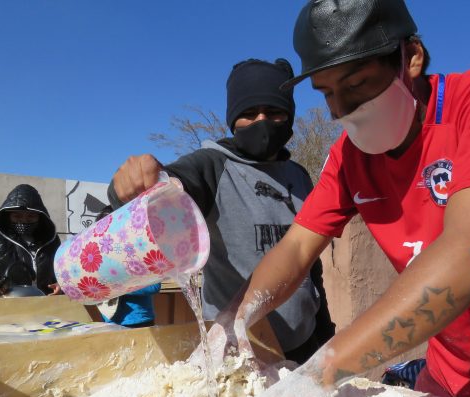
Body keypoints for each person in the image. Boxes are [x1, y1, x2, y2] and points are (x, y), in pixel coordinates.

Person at [207, 0, 470, 397]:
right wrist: (235, 320)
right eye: (327, 93)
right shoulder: (348, 159)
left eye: (356, 85)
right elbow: (296, 247)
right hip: (448, 380)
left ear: (410, 57)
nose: (341, 109)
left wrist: (325, 368)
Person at [107, 58, 335, 363]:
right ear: (233, 119)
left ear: (290, 116)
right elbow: (168, 188)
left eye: (274, 112)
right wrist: (131, 186)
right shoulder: (210, 167)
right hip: (240, 352)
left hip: (306, 343)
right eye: (249, 113)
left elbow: (311, 265)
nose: (262, 121)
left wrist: (324, 333)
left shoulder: (299, 176)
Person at [93, 205, 162, 328]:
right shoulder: (99, 257)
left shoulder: (138, 252)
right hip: (110, 322)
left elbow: (154, 286)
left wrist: (118, 287)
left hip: (139, 322)